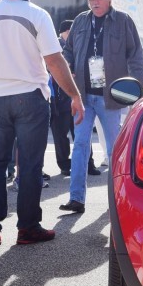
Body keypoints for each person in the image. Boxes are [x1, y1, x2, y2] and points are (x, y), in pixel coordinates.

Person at [0, 0, 85, 246]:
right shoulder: (38, 14)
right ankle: (28, 227)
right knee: (29, 165)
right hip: (31, 98)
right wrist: (74, 95)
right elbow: (54, 61)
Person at [59, 0, 143, 213]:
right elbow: (67, 52)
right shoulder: (80, 21)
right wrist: (67, 72)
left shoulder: (123, 21)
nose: (94, 2)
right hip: (83, 96)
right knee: (79, 145)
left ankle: (119, 200)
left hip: (112, 97)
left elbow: (136, 56)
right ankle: (76, 198)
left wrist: (136, 88)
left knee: (114, 150)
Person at [50, 19, 100, 177]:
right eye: (72, 30)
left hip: (78, 96)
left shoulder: (79, 45)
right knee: (61, 134)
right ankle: (65, 165)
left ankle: (88, 164)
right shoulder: (55, 45)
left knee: (82, 133)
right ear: (64, 31)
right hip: (59, 98)